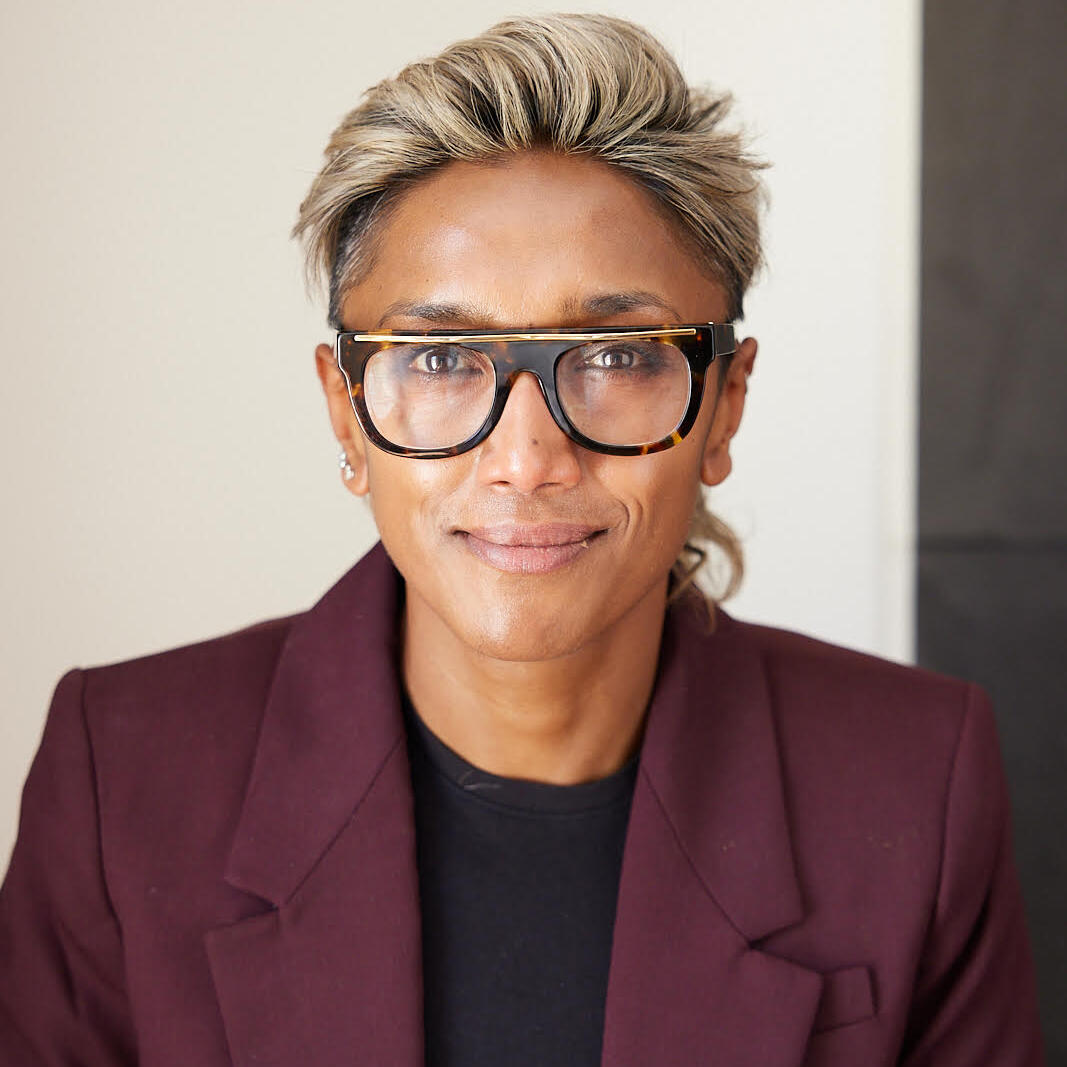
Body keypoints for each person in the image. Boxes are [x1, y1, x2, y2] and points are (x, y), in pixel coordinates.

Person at [0, 13, 1045, 1067]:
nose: (525, 458)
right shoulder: (120, 775)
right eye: (443, 360)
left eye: (614, 354)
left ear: (722, 405)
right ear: (343, 411)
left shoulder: (914, 782)